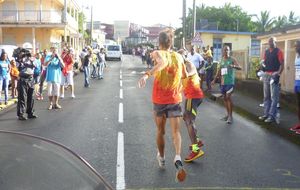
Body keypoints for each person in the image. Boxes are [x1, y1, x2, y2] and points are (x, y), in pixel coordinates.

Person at [138, 28, 188, 182]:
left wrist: (147, 75)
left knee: (160, 131)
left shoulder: (157, 53)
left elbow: (162, 62)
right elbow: (185, 75)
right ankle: (178, 156)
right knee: (176, 132)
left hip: (160, 100)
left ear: (159, 43)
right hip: (174, 99)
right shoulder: (179, 56)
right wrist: (181, 86)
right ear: (171, 42)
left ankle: (162, 157)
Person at [178, 49, 205, 163]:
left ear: (184, 56)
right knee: (186, 117)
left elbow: (189, 74)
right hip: (191, 96)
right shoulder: (181, 66)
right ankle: (197, 140)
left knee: (189, 121)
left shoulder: (188, 65)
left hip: (193, 97)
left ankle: (196, 149)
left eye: (180, 57)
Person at [212, 45, 241, 124]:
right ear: (222, 51)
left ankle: (230, 116)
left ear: (229, 51)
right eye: (225, 50)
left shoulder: (232, 59)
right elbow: (218, 71)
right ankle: (228, 115)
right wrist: (214, 80)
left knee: (228, 97)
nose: (226, 51)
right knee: (224, 98)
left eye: (227, 50)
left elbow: (240, 67)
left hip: (230, 82)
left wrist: (233, 66)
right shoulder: (221, 60)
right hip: (223, 82)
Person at [258, 37, 284, 124]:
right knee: (266, 96)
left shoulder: (278, 51)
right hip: (266, 75)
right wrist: (262, 66)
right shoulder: (266, 52)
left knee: (274, 97)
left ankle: (272, 116)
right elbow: (265, 62)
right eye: (269, 42)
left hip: (274, 76)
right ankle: (266, 114)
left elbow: (282, 64)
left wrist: (278, 73)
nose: (270, 43)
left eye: (272, 41)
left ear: (275, 42)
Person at [17, 50, 38, 120]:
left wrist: (30, 59)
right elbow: (19, 67)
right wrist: (21, 59)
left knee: (31, 97)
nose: (27, 55)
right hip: (23, 80)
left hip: (31, 79)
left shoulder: (32, 60)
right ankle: (21, 114)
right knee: (22, 97)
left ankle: (30, 113)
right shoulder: (19, 60)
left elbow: (35, 66)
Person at [290, 40, 300, 134]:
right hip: (297, 84)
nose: (295, 48)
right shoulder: (296, 57)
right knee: (298, 106)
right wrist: (295, 83)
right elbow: (296, 71)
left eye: (297, 46)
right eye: (295, 46)